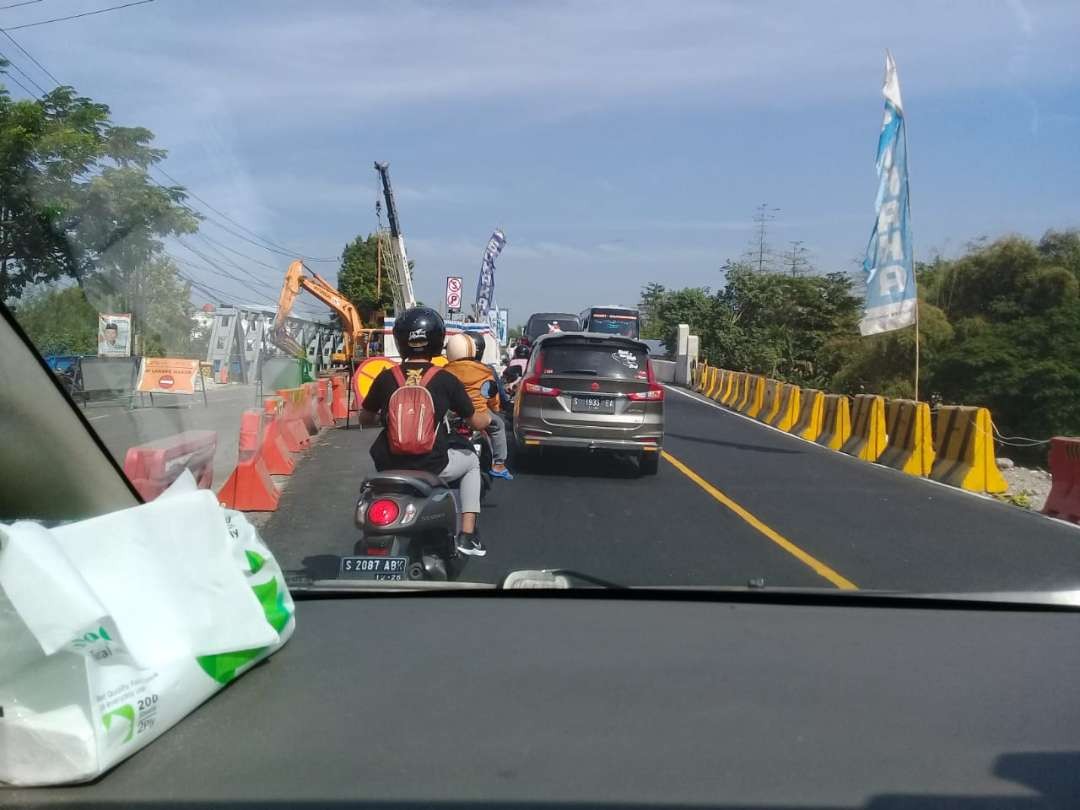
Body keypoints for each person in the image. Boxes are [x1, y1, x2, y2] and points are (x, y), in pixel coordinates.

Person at [357, 307, 490, 557]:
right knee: (472, 461)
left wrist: (386, 415)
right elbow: (476, 422)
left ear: (400, 341)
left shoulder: (386, 377)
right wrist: (487, 418)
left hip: (389, 463)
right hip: (432, 464)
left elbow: (365, 418)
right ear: (438, 341)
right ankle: (468, 535)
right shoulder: (446, 380)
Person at [444, 332, 513, 480]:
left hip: (451, 413)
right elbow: (492, 394)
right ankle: (499, 464)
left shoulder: (444, 371)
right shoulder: (485, 370)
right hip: (479, 414)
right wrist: (495, 408)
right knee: (499, 425)